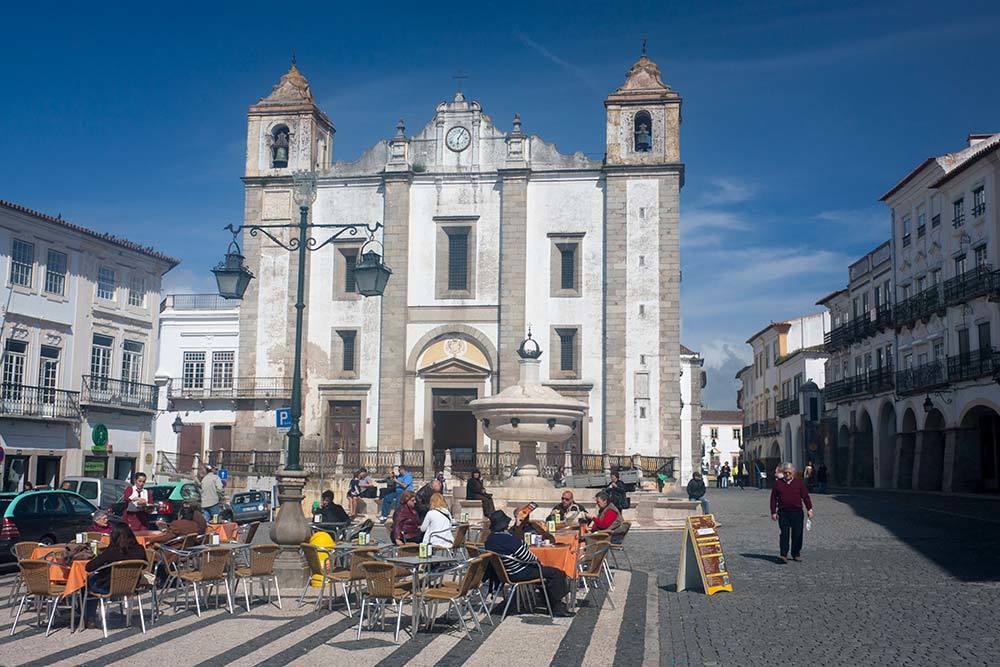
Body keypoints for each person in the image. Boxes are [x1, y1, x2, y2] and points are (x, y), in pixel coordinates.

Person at [484, 510, 574, 617]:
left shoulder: (490, 540)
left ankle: (548, 601)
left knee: (546, 572)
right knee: (557, 573)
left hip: (504, 573)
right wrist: (537, 561)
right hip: (519, 572)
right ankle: (557, 607)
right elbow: (527, 557)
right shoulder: (508, 539)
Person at [83, 522, 146, 628]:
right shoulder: (140, 549)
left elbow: (89, 567)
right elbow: (144, 566)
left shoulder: (112, 551)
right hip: (131, 586)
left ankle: (89, 618)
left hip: (109, 588)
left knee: (87, 582)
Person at [770, 462, 814, 563]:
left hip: (797, 513)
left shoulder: (799, 483)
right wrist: (773, 512)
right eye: (785, 473)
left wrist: (810, 509)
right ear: (783, 473)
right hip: (783, 513)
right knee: (784, 534)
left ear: (793, 473)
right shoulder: (778, 484)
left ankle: (796, 553)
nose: (787, 475)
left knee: (797, 534)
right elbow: (773, 499)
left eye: (789, 473)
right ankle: (783, 555)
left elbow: (806, 497)